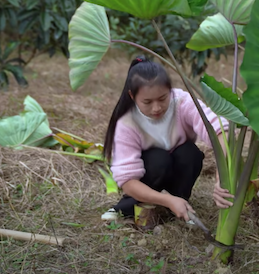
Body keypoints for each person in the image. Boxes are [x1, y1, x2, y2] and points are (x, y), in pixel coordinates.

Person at [100, 55, 235, 222]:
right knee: (158, 158)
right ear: (132, 96)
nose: (156, 108)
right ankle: (126, 207)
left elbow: (219, 131)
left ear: (170, 90)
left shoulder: (181, 102)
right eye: (147, 102)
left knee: (190, 153)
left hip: (176, 165)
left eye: (163, 98)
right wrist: (167, 200)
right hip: (149, 174)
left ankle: (181, 204)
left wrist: (221, 177)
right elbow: (128, 181)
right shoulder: (127, 122)